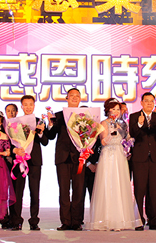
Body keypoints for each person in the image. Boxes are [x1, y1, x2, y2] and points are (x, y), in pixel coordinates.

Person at [44, 87, 93, 230]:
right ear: (67, 98)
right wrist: (50, 124)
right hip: (63, 157)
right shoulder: (58, 116)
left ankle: (76, 221)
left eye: (77, 96)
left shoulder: (86, 116)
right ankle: (65, 221)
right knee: (64, 190)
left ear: (80, 99)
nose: (74, 98)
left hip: (79, 158)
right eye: (72, 95)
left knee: (79, 190)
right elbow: (51, 136)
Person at [87, 99, 139, 230]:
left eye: (117, 109)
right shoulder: (103, 123)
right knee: (108, 183)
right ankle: (106, 219)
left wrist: (129, 141)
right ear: (108, 110)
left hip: (120, 155)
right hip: (108, 155)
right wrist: (112, 132)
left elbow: (127, 138)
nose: (116, 112)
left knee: (120, 184)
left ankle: (121, 219)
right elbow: (103, 141)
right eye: (113, 109)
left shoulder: (123, 124)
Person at [129, 91, 156, 230]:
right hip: (140, 158)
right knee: (139, 190)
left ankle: (154, 221)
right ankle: (138, 220)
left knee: (154, 191)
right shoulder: (134, 116)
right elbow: (133, 133)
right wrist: (139, 124)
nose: (149, 103)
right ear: (141, 103)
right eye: (147, 101)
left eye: (152, 101)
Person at [7, 94, 46, 230]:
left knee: (34, 192)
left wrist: (40, 133)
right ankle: (16, 221)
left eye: (31, 104)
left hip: (34, 161)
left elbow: (45, 141)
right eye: (26, 105)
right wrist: (15, 151)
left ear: (34, 106)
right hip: (19, 160)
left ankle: (34, 221)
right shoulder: (15, 122)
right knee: (17, 191)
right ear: (22, 106)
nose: (28, 107)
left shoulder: (39, 121)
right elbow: (9, 143)